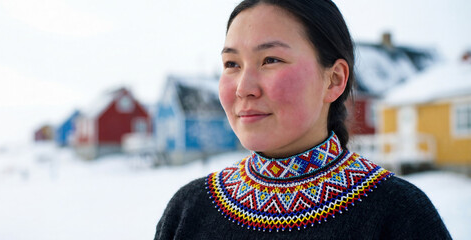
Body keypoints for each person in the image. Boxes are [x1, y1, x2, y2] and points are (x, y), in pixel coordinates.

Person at [154, 0, 452, 239]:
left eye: (271, 60)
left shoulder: (400, 215)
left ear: (334, 80)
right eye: (232, 63)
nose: (244, 88)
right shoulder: (189, 210)